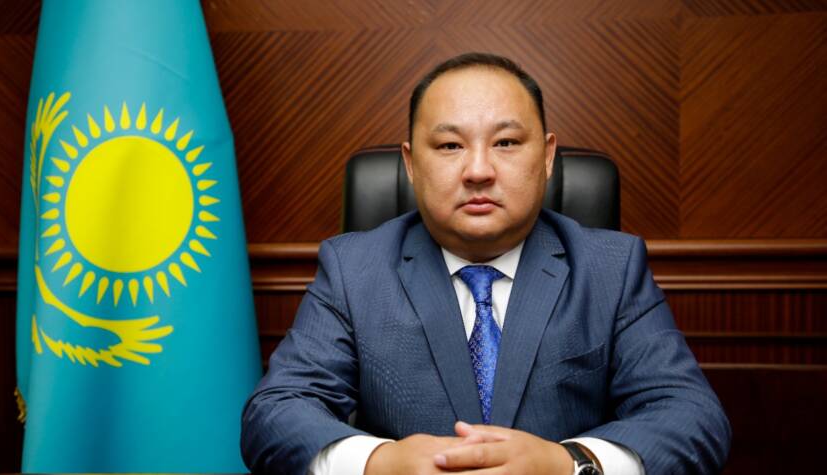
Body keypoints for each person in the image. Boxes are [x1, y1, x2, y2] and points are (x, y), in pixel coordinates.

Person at [241, 52, 731, 475]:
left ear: (547, 156)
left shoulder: (611, 268)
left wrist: (568, 463)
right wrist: (379, 463)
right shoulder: (354, 269)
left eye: (506, 143)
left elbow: (692, 417)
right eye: (450, 146)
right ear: (410, 164)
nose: (478, 170)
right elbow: (276, 413)